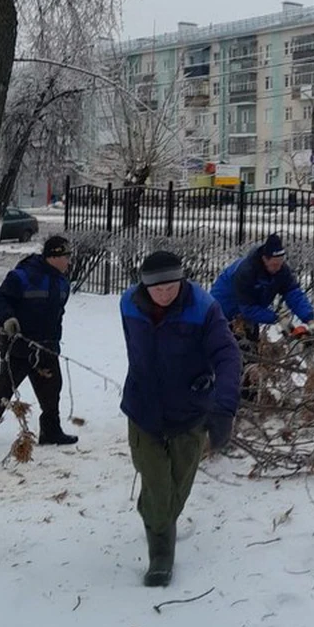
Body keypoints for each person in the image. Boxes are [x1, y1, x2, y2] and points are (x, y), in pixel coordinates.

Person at [120, 250, 241, 587]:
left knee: (176, 490)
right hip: (143, 410)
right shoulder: (128, 304)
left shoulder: (203, 308)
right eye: (158, 288)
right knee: (158, 487)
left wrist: (224, 407)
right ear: (144, 286)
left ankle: (158, 516)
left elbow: (227, 355)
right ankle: (161, 556)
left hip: (190, 412)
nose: (165, 293)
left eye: (172, 286)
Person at [0, 235, 77, 456]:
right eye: (65, 257)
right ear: (53, 256)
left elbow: (56, 316)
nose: (68, 262)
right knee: (3, 390)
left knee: (52, 389)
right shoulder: (23, 276)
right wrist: (8, 319)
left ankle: (51, 431)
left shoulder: (62, 282)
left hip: (46, 347)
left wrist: (53, 343)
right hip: (18, 347)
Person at [210, 233, 314, 348]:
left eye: (280, 263)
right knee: (232, 350)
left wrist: (309, 318)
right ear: (264, 259)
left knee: (252, 345)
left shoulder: (281, 271)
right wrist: (276, 318)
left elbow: (293, 294)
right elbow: (248, 308)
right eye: (274, 265)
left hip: (247, 314)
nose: (278, 268)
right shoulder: (246, 272)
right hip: (224, 311)